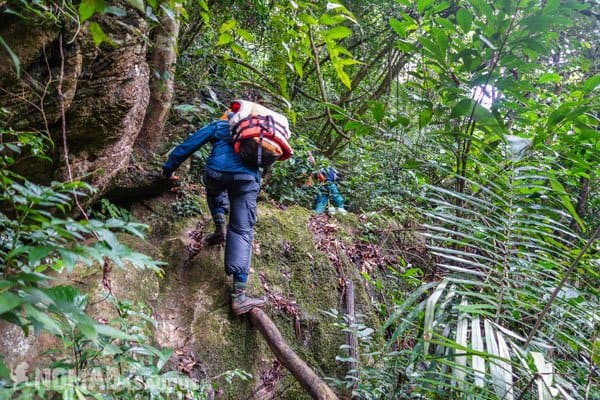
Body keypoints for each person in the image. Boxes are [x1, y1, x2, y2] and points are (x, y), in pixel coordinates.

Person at [162, 107, 266, 316]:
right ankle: (239, 296)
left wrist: (168, 168)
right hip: (246, 180)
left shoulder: (220, 125)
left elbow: (189, 145)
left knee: (214, 188)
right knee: (242, 229)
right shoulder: (259, 133)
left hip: (216, 173)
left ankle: (220, 229)